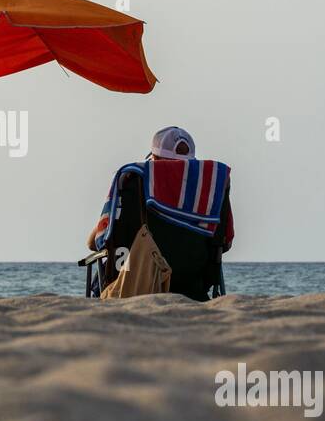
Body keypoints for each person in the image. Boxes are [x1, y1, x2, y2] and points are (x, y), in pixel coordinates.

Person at [87, 126, 234, 300]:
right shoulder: (209, 189)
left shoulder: (135, 181)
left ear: (154, 157)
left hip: (135, 287)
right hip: (193, 288)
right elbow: (224, 244)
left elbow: (96, 243)